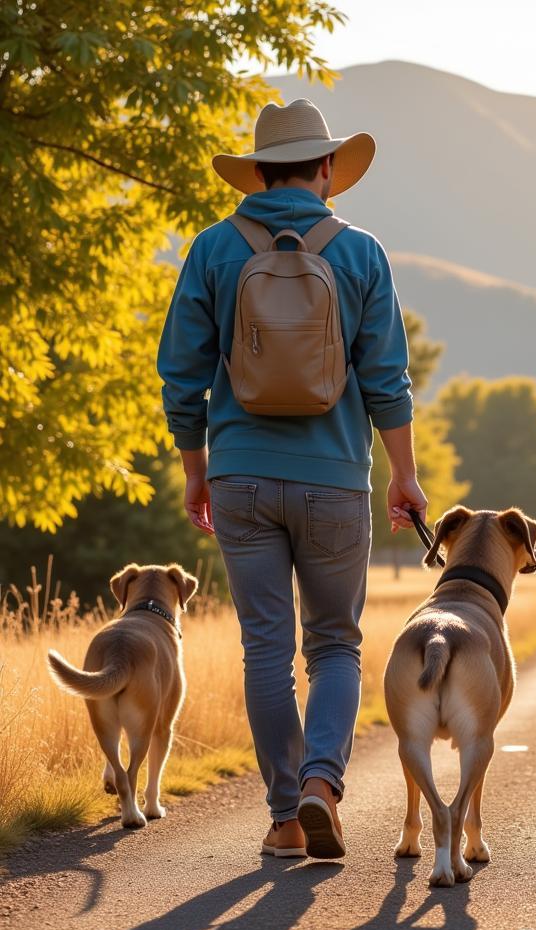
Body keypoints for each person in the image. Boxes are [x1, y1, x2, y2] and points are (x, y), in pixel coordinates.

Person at [157, 98, 427, 859]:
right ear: (328, 170)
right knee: (335, 644)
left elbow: (180, 376)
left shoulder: (213, 249)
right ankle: (321, 785)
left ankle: (283, 817)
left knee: (265, 649)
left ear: (259, 171)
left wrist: (196, 471)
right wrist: (403, 475)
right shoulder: (361, 252)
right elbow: (388, 379)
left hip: (241, 476)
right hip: (336, 478)